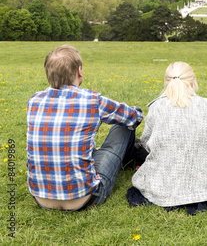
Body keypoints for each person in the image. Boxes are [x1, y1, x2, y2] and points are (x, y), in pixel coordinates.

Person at [26, 45, 143, 211]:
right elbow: (134, 118)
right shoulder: (92, 100)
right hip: (86, 198)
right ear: (79, 71)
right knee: (124, 126)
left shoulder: (34, 101)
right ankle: (131, 161)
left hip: (41, 198)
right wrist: (136, 111)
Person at [128, 61, 207, 215]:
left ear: (166, 82)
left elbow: (147, 144)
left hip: (162, 186)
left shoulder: (156, 108)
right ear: (193, 81)